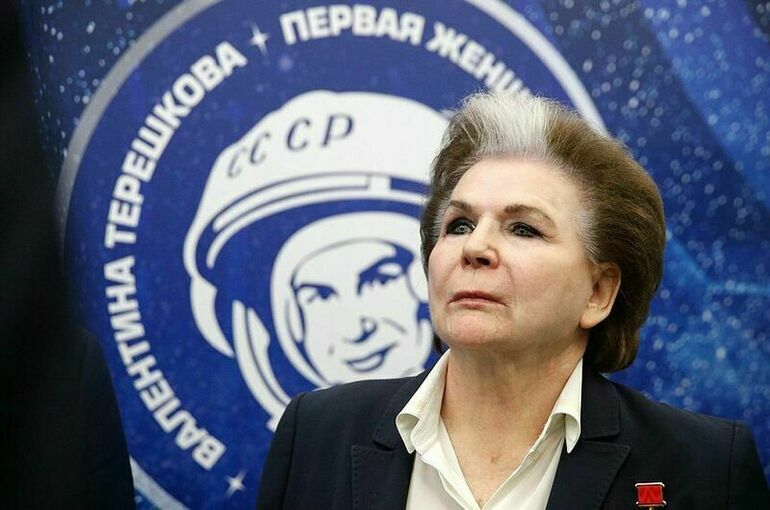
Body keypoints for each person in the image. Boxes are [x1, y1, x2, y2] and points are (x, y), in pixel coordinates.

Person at [255, 92, 769, 509]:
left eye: (523, 228)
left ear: (598, 293)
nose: (475, 247)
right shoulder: (316, 433)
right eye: (459, 224)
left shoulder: (703, 467)